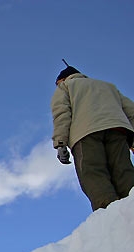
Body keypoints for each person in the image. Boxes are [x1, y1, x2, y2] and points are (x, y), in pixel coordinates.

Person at [51, 61, 134, 210]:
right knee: (124, 173)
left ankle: (110, 217)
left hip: (86, 134)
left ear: (63, 79)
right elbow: (131, 112)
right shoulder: (108, 86)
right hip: (118, 130)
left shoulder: (65, 87)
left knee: (94, 175)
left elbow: (61, 114)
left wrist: (60, 143)